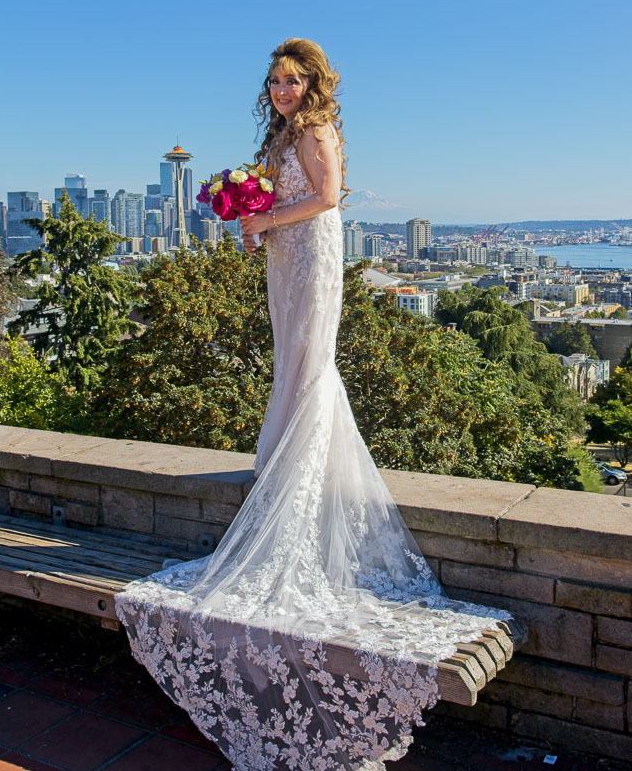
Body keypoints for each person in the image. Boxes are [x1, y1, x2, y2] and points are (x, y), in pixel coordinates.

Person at [114, 39, 511, 771]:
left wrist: (262, 220)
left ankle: (302, 460)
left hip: (310, 249)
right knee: (289, 356)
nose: (280, 90)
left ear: (312, 84)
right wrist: (250, 210)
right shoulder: (276, 134)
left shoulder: (319, 130)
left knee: (310, 355)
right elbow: (278, 193)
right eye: (272, 81)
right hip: (283, 253)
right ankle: (289, 450)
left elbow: (327, 199)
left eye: (290, 81)